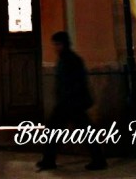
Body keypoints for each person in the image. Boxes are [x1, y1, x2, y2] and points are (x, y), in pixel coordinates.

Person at [36, 30, 108, 172]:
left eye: (57, 44)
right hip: (70, 102)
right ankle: (97, 159)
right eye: (55, 44)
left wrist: (67, 98)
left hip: (71, 102)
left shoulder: (70, 60)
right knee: (74, 130)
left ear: (64, 44)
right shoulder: (67, 59)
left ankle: (50, 160)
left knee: (60, 130)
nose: (55, 47)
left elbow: (75, 83)